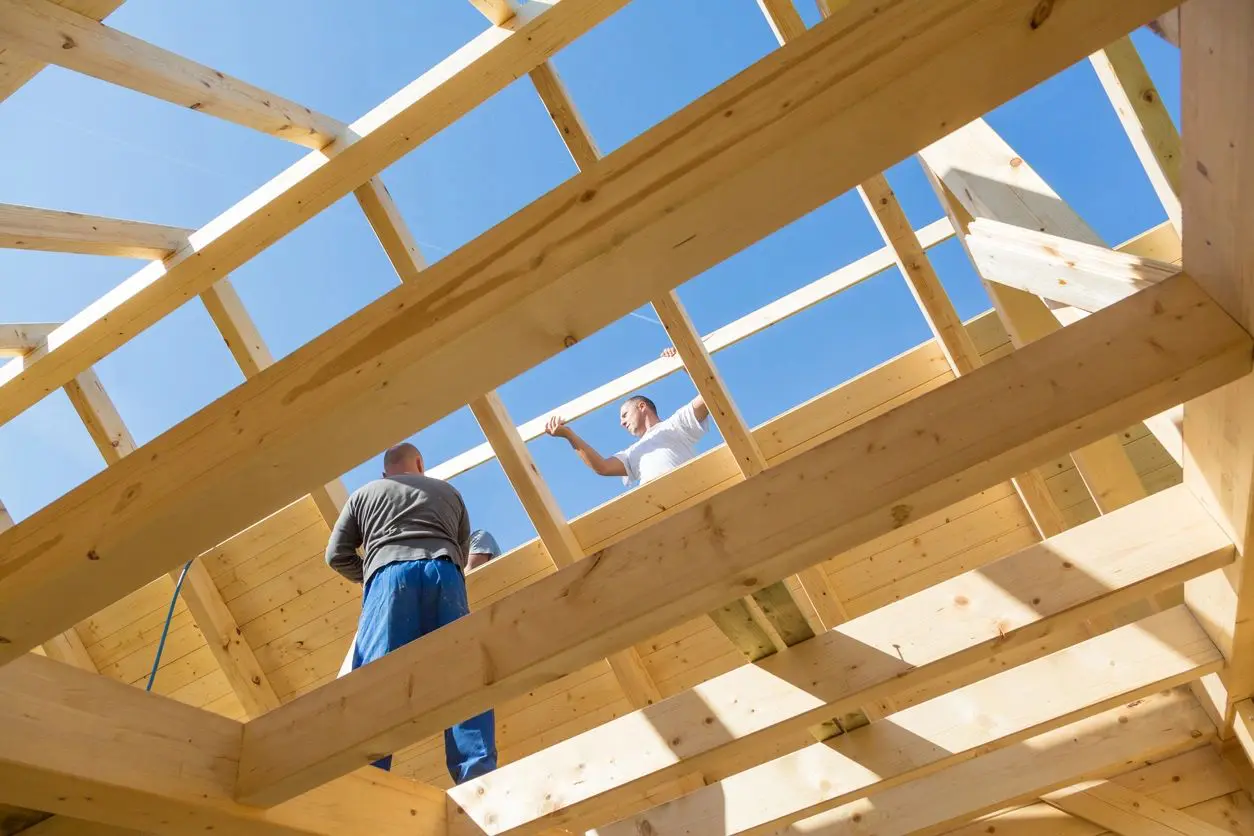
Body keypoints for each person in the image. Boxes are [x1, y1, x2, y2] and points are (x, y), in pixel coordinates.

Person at [325, 442, 496, 784]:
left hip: (388, 579)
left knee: (377, 679)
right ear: (420, 462)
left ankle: (367, 778)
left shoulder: (364, 494)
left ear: (385, 472)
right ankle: (477, 776)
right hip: (444, 574)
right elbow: (462, 554)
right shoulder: (450, 492)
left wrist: (372, 572)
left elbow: (335, 554)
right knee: (460, 672)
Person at [545, 347, 710, 486]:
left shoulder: (675, 425)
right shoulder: (632, 453)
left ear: (642, 406)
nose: (622, 423)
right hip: (658, 510)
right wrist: (569, 435)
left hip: (691, 496)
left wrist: (683, 364)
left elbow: (709, 395)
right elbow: (602, 467)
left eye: (624, 415)